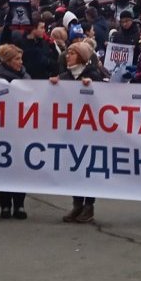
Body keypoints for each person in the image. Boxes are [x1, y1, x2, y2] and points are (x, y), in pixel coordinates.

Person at [51, 42, 106, 224]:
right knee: (74, 168)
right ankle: (77, 204)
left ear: (82, 57)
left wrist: (93, 87)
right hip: (70, 131)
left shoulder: (93, 75)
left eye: (72, 53)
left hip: (89, 131)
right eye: (68, 53)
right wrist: (53, 86)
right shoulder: (65, 77)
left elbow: (103, 99)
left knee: (88, 168)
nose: (68, 56)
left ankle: (89, 206)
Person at [0, 44, 32, 219]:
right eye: (17, 59)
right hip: (4, 129)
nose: (20, 62)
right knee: (5, 167)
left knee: (20, 168)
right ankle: (5, 205)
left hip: (22, 128)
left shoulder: (25, 76)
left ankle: (19, 204)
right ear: (7, 61)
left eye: (20, 58)